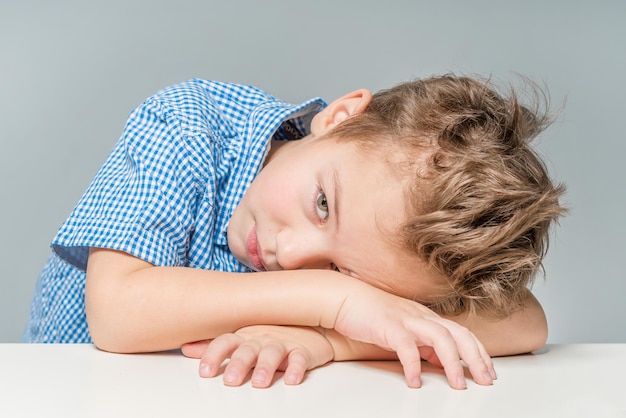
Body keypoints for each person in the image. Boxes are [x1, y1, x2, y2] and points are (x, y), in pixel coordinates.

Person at [24, 74, 565, 390]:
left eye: (340, 269)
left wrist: (328, 340)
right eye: (323, 205)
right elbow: (117, 313)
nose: (292, 252)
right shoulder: (188, 126)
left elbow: (525, 323)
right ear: (342, 118)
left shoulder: (383, 249)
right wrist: (336, 297)